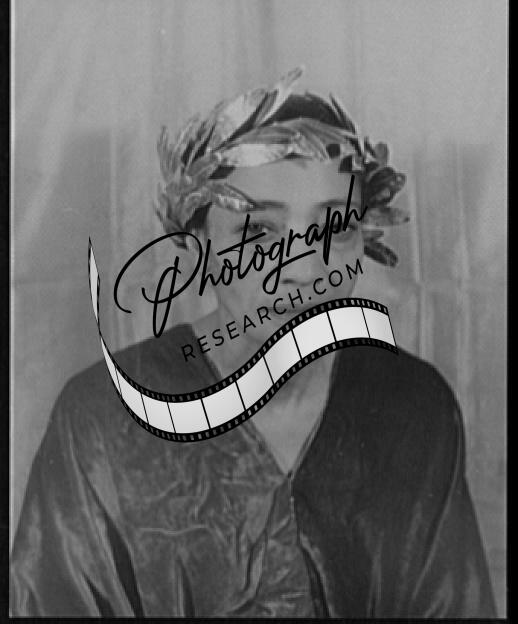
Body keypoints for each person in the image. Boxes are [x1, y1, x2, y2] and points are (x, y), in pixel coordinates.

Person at [10, 67, 496, 617]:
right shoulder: (103, 419)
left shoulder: (414, 409)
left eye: (335, 227)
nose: (303, 268)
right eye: (260, 231)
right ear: (195, 245)